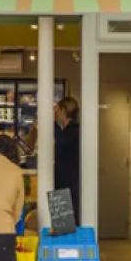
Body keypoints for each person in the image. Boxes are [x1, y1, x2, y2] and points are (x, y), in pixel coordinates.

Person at [54, 96, 81, 224]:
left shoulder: (73, 130)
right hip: (65, 180)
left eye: (57, 109)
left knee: (66, 222)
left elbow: (61, 142)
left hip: (68, 181)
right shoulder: (68, 130)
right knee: (63, 221)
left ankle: (68, 243)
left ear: (64, 111)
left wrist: (52, 123)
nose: (55, 112)